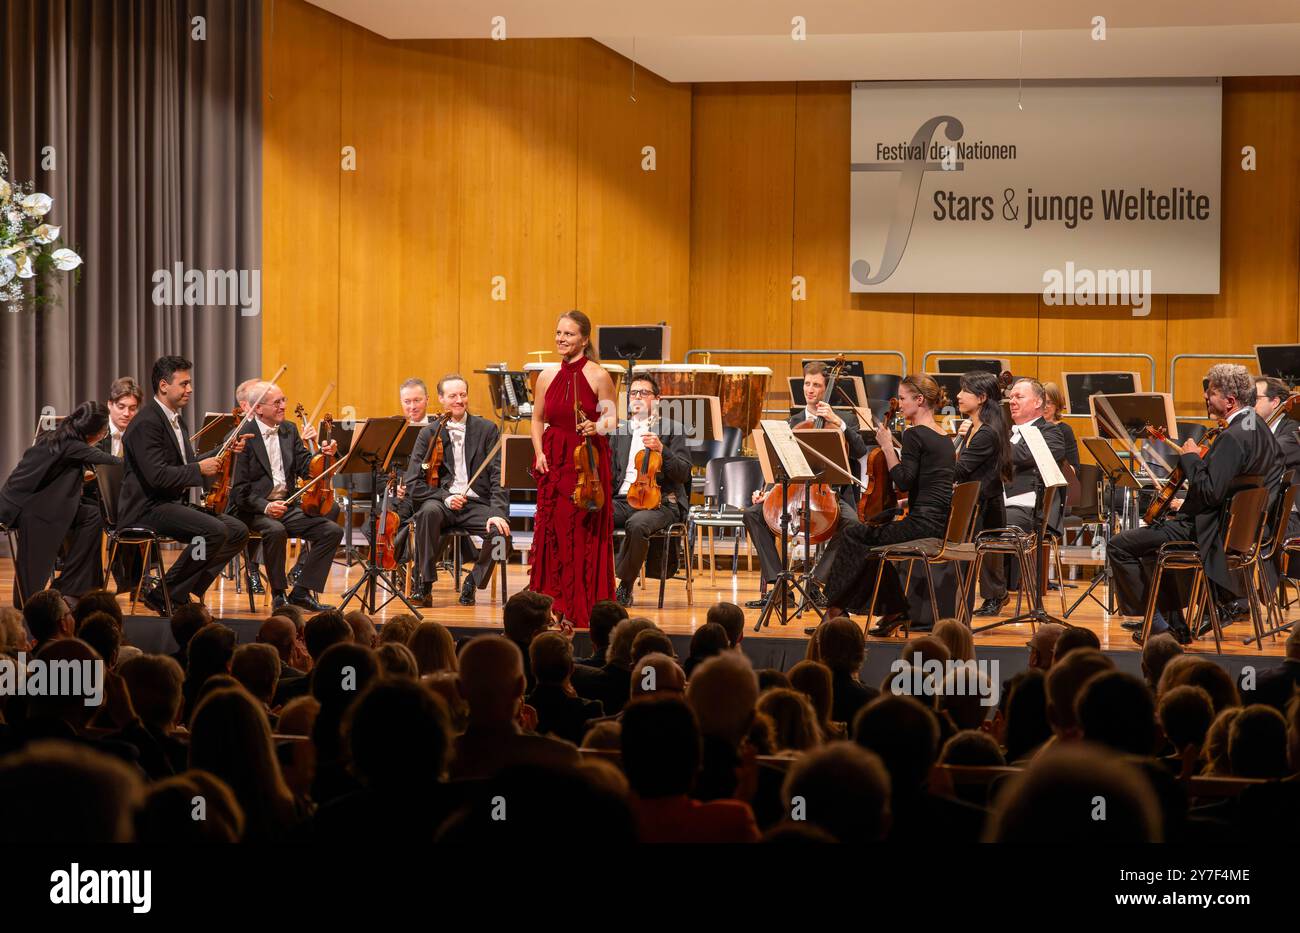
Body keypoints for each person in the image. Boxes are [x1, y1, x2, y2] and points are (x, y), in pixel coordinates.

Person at [1109, 364, 1282, 644]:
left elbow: (1210, 491)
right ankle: (1173, 626)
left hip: (1208, 532)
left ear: (1229, 401)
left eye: (1211, 392)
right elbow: (1227, 488)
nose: (1205, 396)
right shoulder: (1260, 430)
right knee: (1153, 547)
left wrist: (1191, 458)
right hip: (1233, 530)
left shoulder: (1232, 437)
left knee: (1119, 545)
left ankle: (1156, 624)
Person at [821, 374, 955, 636]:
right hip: (938, 522)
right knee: (870, 541)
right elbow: (928, 483)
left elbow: (903, 479)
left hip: (923, 526)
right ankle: (894, 610)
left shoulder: (915, 434)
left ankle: (834, 609)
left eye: (903, 399)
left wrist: (887, 446)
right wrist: (906, 500)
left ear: (919, 400)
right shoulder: (943, 436)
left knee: (853, 533)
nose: (900, 404)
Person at [118, 355, 251, 613]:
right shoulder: (146, 423)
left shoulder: (175, 419)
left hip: (168, 503)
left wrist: (223, 453)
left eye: (190, 384)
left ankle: (183, 589)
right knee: (214, 531)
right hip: (145, 508)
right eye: (184, 383)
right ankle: (166, 594)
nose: (190, 389)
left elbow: (185, 464)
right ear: (164, 386)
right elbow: (157, 476)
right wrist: (199, 469)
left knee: (237, 530)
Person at [743, 361, 867, 610]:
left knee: (852, 526)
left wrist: (837, 423)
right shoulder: (793, 420)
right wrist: (766, 492)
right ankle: (779, 584)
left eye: (817, 385)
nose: (810, 390)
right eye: (807, 384)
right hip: (793, 491)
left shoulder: (844, 419)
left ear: (825, 388)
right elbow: (779, 464)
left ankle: (815, 582)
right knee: (753, 514)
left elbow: (861, 450)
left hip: (830, 494)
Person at [528, 310, 617, 627]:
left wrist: (597, 425)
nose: (561, 339)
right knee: (551, 531)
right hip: (554, 459)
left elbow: (612, 419)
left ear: (584, 339)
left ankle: (581, 606)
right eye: (558, 333)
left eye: (568, 334)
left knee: (580, 533)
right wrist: (539, 452)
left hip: (586, 461)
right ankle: (551, 605)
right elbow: (537, 419)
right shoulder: (546, 375)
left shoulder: (599, 375)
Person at [231, 381, 339, 613]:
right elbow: (239, 491)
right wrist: (266, 508)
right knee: (275, 530)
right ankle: (279, 594)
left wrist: (325, 453)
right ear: (258, 408)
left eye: (284, 400)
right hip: (252, 510)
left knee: (332, 531)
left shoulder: (289, 430)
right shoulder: (243, 436)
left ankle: (301, 592)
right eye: (277, 402)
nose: (283, 406)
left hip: (286, 505)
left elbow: (306, 468)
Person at [404, 374, 510, 607]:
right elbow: (413, 482)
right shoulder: (429, 433)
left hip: (476, 503)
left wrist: (497, 512)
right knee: (426, 514)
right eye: (452, 396)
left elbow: (498, 477)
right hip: (442, 502)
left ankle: (474, 579)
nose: (459, 400)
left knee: (501, 533)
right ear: (441, 399)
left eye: (463, 395)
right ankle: (425, 584)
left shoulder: (486, 429)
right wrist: (446, 497)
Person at [0, 401, 118, 603]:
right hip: (24, 506)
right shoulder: (72, 444)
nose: (105, 434)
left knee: (92, 516)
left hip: (38, 501)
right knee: (51, 525)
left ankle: (71, 588)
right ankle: (30, 604)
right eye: (105, 430)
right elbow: (111, 461)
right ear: (94, 432)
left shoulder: (64, 434)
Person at [973, 378, 1070, 618]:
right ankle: (954, 597)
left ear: (1038, 402)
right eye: (1011, 397)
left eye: (1019, 396)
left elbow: (1024, 455)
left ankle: (994, 594)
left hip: (1030, 508)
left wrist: (988, 440)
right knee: (963, 522)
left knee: (988, 525)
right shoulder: (1005, 432)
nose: (1012, 401)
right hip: (999, 502)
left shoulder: (1051, 432)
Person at [608, 373, 691, 608]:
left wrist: (663, 450)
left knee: (638, 524)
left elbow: (683, 473)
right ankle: (591, 581)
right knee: (590, 515)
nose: (637, 397)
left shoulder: (673, 429)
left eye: (644, 393)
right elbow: (611, 471)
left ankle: (624, 586)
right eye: (633, 392)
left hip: (661, 502)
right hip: (623, 499)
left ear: (657, 399)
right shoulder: (619, 430)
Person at [952, 371, 1012, 613]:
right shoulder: (976, 429)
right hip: (977, 502)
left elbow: (960, 469)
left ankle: (957, 598)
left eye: (964, 391)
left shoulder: (986, 433)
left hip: (982, 507)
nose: (958, 395)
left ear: (981, 397)